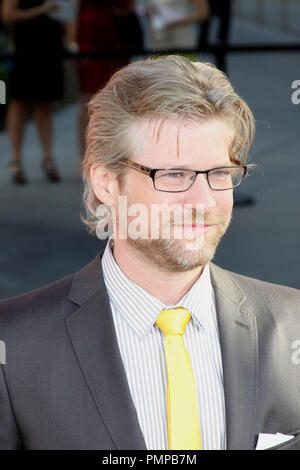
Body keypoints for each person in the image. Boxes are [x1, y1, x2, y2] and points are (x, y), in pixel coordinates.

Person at [0, 55, 300, 450]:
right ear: (107, 183)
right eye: (174, 174)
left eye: (219, 173)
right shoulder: (15, 344)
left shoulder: (292, 324)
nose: (203, 201)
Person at [73, 0, 142, 170]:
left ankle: (118, 154)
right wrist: (74, 44)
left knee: (120, 100)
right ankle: (85, 156)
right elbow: (75, 10)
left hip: (116, 40)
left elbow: (131, 6)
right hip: (90, 44)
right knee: (88, 103)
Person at [2, 0, 65, 185]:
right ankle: (16, 160)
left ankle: (48, 158)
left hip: (50, 49)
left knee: (45, 104)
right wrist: (41, 9)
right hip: (25, 49)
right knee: (19, 103)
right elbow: (8, 15)